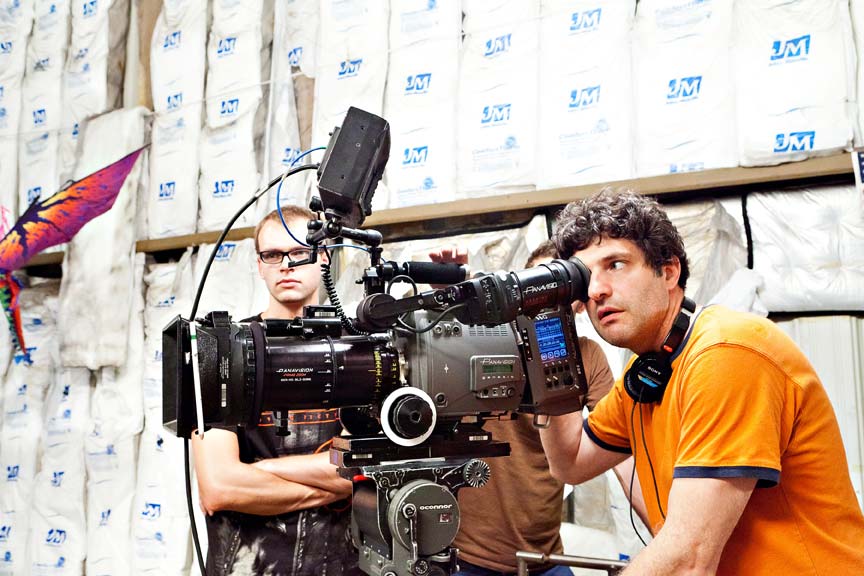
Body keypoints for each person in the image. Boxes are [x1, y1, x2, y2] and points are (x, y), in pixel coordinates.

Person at [539, 190, 864, 575]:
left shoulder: (727, 351)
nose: (596, 290)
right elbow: (571, 462)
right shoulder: (646, 375)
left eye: (616, 264)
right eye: (585, 276)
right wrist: (549, 339)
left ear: (668, 271)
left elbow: (688, 559)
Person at [429, 242, 647, 576]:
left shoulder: (588, 357)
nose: (546, 297)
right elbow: (433, 348)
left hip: (545, 559)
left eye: (561, 285)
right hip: (469, 558)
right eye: (538, 283)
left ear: (579, 301)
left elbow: (622, 452)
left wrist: (669, 532)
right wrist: (452, 298)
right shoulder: (478, 344)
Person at [191, 205, 358, 576]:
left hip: (339, 565)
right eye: (273, 255)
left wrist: (260, 470)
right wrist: (335, 486)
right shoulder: (221, 351)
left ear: (324, 257)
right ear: (260, 265)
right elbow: (220, 487)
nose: (287, 265)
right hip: (247, 566)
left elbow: (360, 466)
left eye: (299, 252)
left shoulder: (358, 350)